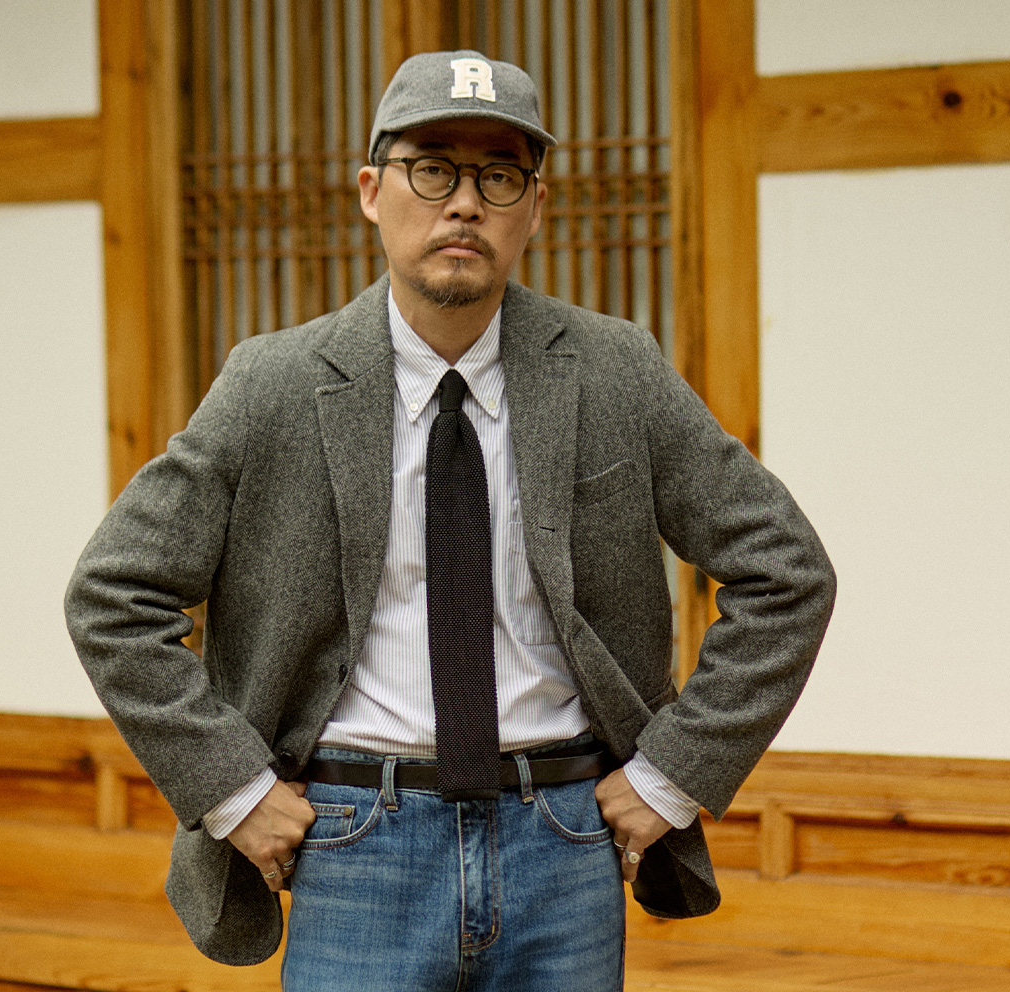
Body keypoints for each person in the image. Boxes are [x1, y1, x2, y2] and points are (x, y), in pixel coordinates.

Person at [66, 50, 834, 992]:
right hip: (355, 844)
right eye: (431, 168)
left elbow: (787, 571)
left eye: (499, 175)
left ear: (535, 207)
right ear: (371, 191)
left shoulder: (612, 369)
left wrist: (669, 776)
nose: (463, 203)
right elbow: (113, 595)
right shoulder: (274, 382)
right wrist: (233, 788)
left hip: (564, 836)